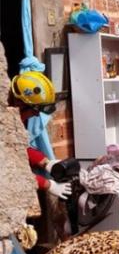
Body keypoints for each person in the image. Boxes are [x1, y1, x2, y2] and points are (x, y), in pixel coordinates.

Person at [10, 71, 72, 200]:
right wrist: (48, 185)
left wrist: (46, 163)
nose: (37, 115)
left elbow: (19, 147)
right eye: (35, 110)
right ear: (19, 104)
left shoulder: (14, 118)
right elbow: (13, 170)